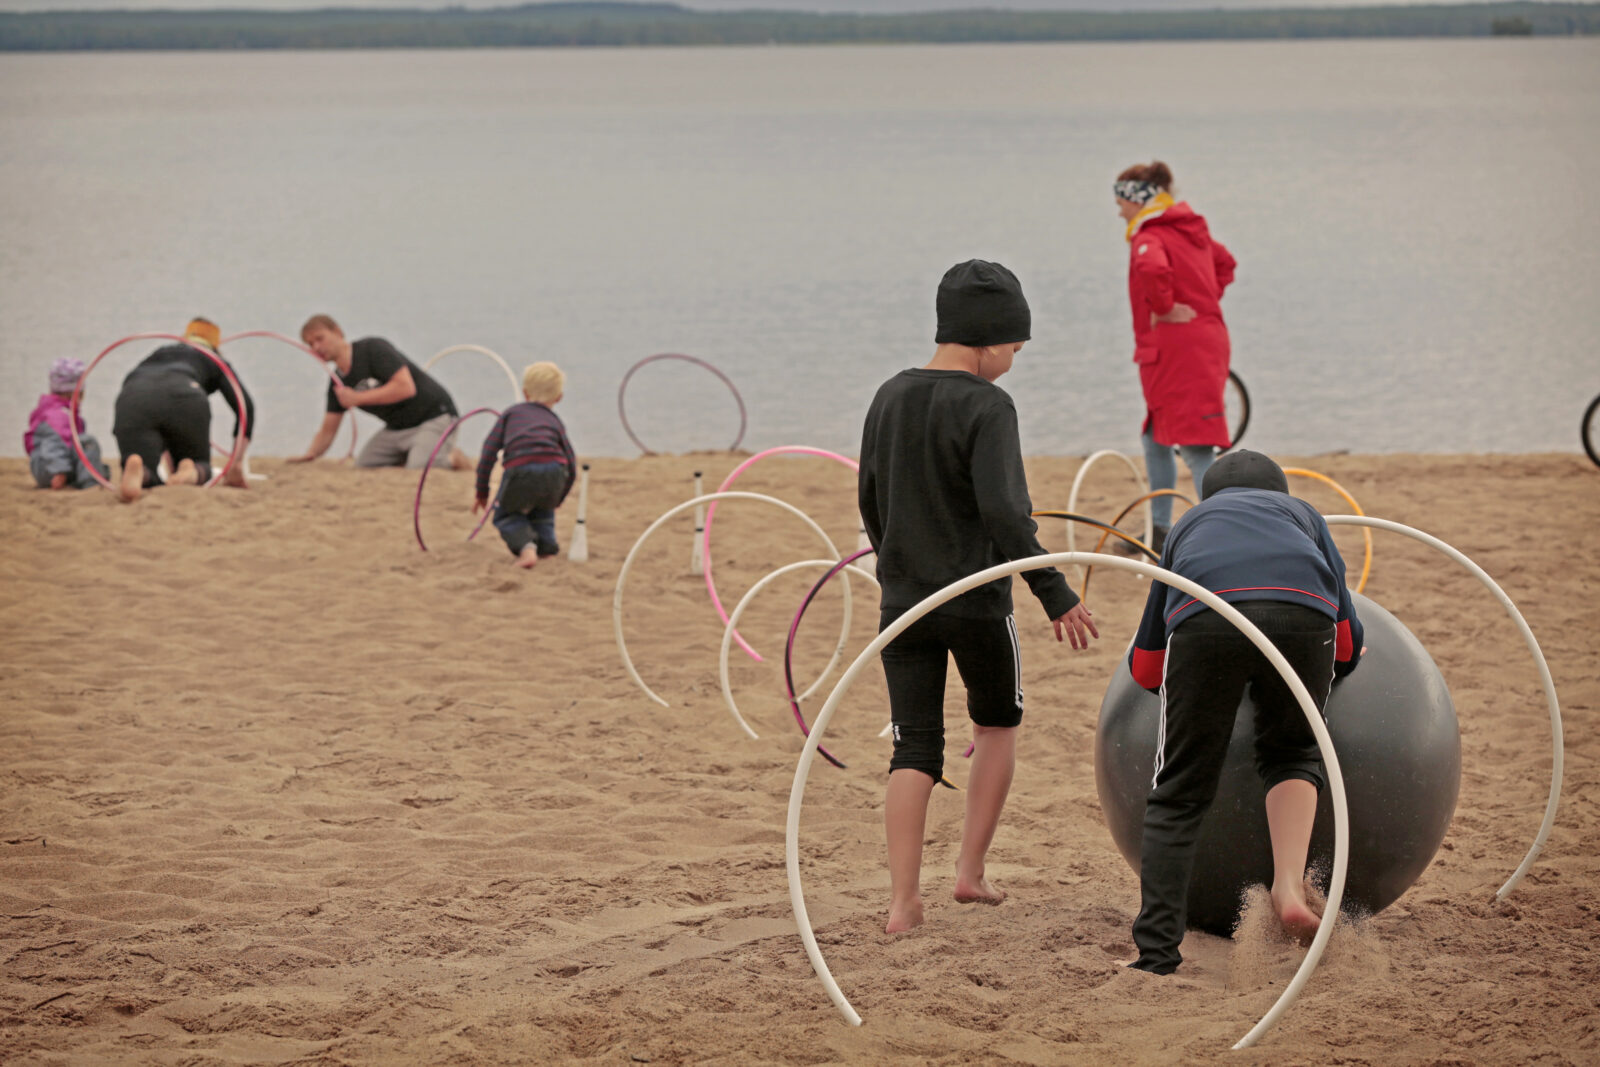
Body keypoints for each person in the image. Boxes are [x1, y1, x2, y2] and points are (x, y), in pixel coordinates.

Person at [859, 259, 1100, 935]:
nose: (1014, 362)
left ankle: (903, 902)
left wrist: (896, 565)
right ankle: (969, 871)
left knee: (914, 747)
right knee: (997, 723)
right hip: (974, 602)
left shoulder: (889, 394)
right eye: (1015, 349)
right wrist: (1055, 593)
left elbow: (870, 498)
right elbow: (1004, 512)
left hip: (903, 602)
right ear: (989, 339)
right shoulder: (990, 405)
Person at [1124, 449, 1364, 975]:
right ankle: (1288, 888)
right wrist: (1331, 658)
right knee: (1295, 749)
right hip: (1303, 615)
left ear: (1209, 499)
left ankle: (1158, 955)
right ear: (1280, 494)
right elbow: (1347, 644)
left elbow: (1145, 668)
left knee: (1181, 788)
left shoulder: (1188, 523)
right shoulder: (1305, 517)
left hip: (1207, 615)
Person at [1115, 160, 1237, 554]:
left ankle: (1225, 532)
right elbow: (1225, 263)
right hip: (1195, 344)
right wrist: (1203, 300)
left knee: (1197, 444)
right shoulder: (1190, 231)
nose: (1119, 210)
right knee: (1155, 436)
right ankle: (1160, 526)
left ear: (1138, 199)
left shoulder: (1151, 236)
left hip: (1179, 350)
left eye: (1121, 201)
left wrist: (1167, 307)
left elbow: (1152, 268)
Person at [290, 314, 466, 469]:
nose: (316, 347)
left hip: (434, 416)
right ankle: (417, 453)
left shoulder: (372, 349)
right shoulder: (337, 382)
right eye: (310, 344)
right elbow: (328, 429)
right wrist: (311, 454)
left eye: (320, 339)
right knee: (363, 465)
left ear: (337, 332)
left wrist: (358, 398)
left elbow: (405, 388)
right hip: (396, 428)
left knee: (420, 468)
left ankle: (451, 457)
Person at [111, 318, 254, 503]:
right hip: (186, 394)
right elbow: (245, 407)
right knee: (200, 465)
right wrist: (236, 462)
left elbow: (149, 390)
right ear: (215, 344)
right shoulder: (214, 359)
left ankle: (140, 474)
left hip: (134, 394)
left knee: (143, 465)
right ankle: (191, 471)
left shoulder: (161, 352)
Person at [473, 361, 577, 569]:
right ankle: (547, 549)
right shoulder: (554, 421)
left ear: (525, 393)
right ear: (559, 397)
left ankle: (526, 550)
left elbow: (488, 453)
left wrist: (481, 491)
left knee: (507, 515)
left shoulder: (511, 414)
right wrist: (559, 496)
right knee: (544, 511)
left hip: (521, 468)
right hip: (555, 470)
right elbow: (571, 462)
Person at [26, 358, 109, 490]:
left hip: (48, 465)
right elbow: (52, 445)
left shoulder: (59, 411)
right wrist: (59, 471)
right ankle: (90, 484)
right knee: (87, 442)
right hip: (49, 469)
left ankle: (95, 475)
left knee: (99, 465)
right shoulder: (58, 416)